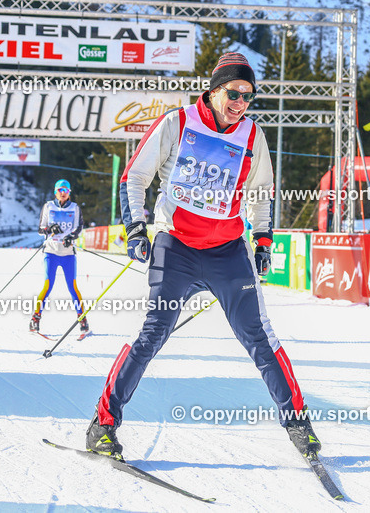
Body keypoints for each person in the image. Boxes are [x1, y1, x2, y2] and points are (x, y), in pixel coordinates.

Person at [86, 52, 320, 460]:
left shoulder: (252, 135)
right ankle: (103, 424)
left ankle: (298, 424)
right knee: (152, 336)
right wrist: (137, 227)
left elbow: (261, 192)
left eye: (249, 96)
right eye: (234, 92)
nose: (240, 102)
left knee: (260, 339)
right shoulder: (177, 123)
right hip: (176, 246)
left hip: (227, 252)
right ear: (214, 90)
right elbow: (134, 176)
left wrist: (263, 240)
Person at [30, 179, 86, 334]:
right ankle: (35, 318)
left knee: (73, 287)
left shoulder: (75, 208)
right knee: (47, 286)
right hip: (51, 252)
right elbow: (41, 229)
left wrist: (71, 237)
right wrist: (50, 228)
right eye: (60, 190)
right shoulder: (48, 206)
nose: (63, 193)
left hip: (68, 254)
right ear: (55, 191)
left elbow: (79, 227)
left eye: (66, 191)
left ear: (69, 193)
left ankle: (82, 319)